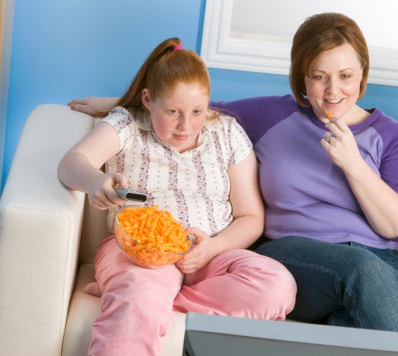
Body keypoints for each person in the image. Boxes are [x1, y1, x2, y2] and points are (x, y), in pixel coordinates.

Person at [69, 13, 398, 334]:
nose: (334, 91)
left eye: (346, 76)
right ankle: (145, 295)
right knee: (359, 270)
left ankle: (145, 298)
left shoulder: (391, 134)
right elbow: (199, 111)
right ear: (302, 78)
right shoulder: (274, 115)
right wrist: (119, 105)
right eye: (319, 77)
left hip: (379, 267)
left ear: (363, 73)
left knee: (348, 322)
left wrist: (354, 165)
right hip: (299, 255)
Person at [58, 38, 296, 355]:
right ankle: (135, 297)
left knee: (278, 285)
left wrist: (214, 246)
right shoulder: (126, 123)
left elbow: (251, 217)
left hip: (209, 253)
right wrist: (94, 181)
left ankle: (139, 300)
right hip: (137, 253)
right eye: (173, 111)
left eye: (197, 111)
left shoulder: (226, 132)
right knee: (140, 290)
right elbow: (71, 163)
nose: (187, 126)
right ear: (147, 100)